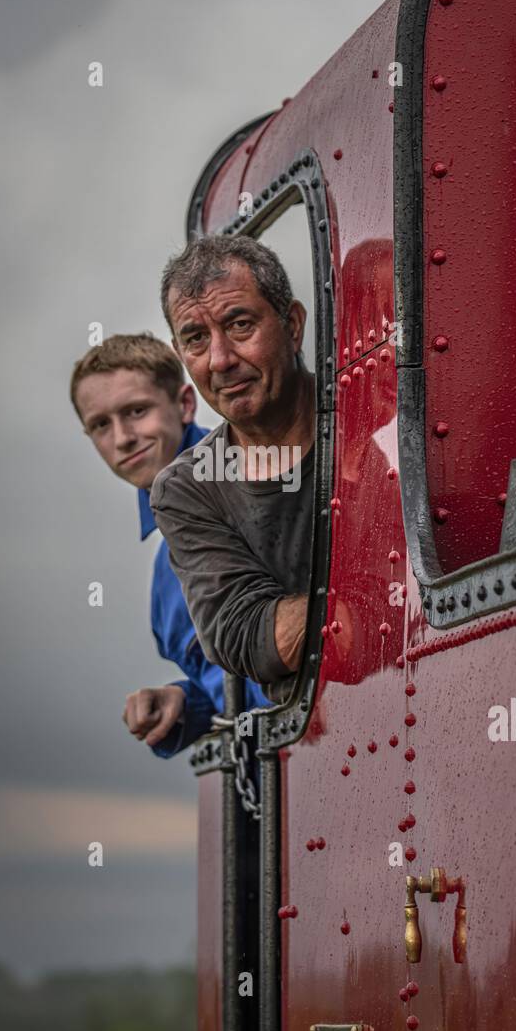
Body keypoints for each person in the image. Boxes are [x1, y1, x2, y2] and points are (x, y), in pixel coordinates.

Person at [70, 332, 271, 757]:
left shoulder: (269, 482)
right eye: (100, 425)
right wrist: (187, 703)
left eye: (136, 411)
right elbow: (231, 688)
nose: (122, 438)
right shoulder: (165, 581)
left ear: (184, 403)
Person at [150, 235, 326, 706]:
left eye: (240, 324)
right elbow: (247, 635)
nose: (221, 359)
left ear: (292, 325)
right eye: (196, 339)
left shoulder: (377, 408)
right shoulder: (187, 489)